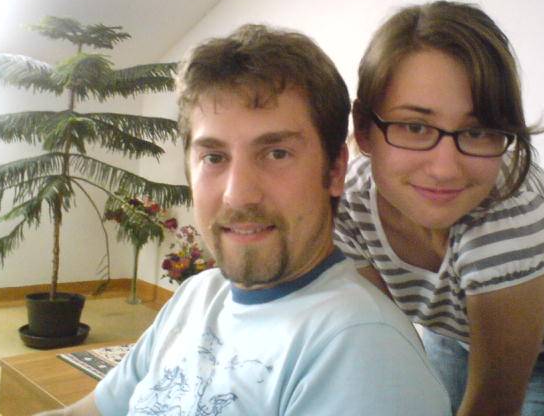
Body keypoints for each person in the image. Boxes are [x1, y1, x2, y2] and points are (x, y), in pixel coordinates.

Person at [37, 24, 450, 415]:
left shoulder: (362, 351)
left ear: (336, 170)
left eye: (276, 153)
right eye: (214, 157)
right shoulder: (197, 295)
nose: (238, 194)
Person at [334, 0, 544, 416]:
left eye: (478, 131)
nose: (444, 169)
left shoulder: (513, 230)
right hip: (455, 334)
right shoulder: (348, 209)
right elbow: (394, 348)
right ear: (364, 129)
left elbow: (493, 405)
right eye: (415, 127)